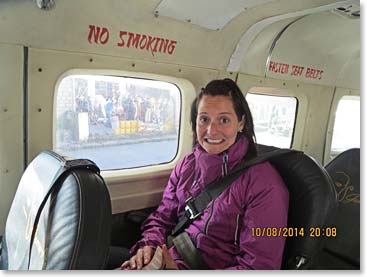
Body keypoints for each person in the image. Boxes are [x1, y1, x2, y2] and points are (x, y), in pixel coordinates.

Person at [120, 78, 289, 270]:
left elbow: (259, 268)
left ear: (241, 123)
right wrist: (148, 245)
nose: (211, 131)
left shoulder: (264, 184)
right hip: (168, 256)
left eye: (224, 120)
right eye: (204, 119)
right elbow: (163, 217)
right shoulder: (187, 164)